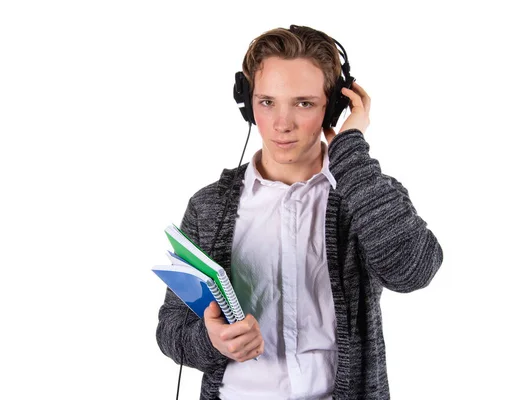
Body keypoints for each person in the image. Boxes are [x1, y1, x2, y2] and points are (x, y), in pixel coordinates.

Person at [156, 24, 443, 400]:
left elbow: (413, 272)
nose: (281, 123)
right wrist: (213, 342)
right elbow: (171, 330)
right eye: (267, 102)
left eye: (304, 103)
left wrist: (350, 152)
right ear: (247, 103)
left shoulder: (365, 190)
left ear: (334, 107)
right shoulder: (211, 206)